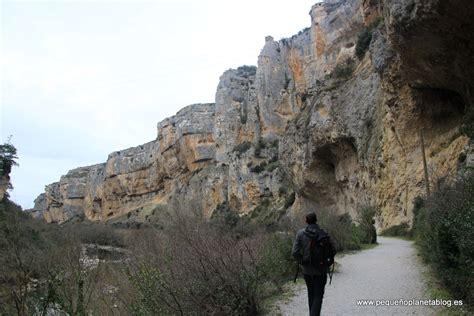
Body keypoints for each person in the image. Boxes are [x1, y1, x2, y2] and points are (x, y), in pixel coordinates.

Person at [292, 212, 329, 316]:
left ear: (306, 221)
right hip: (321, 270)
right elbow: (333, 250)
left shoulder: (300, 233)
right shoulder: (323, 233)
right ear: (316, 220)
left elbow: (294, 252)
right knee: (318, 296)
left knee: (311, 295)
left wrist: (302, 261)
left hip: (307, 270)